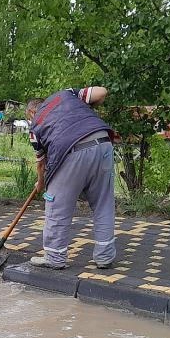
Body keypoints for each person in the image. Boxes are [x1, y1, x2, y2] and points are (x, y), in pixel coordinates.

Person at [25, 86, 116, 269]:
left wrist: (41, 185)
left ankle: (55, 257)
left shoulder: (35, 127)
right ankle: (105, 257)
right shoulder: (67, 95)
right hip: (104, 144)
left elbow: (42, 164)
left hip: (72, 150)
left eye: (28, 119)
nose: (29, 122)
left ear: (31, 113)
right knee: (103, 202)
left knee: (56, 203)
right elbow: (102, 92)